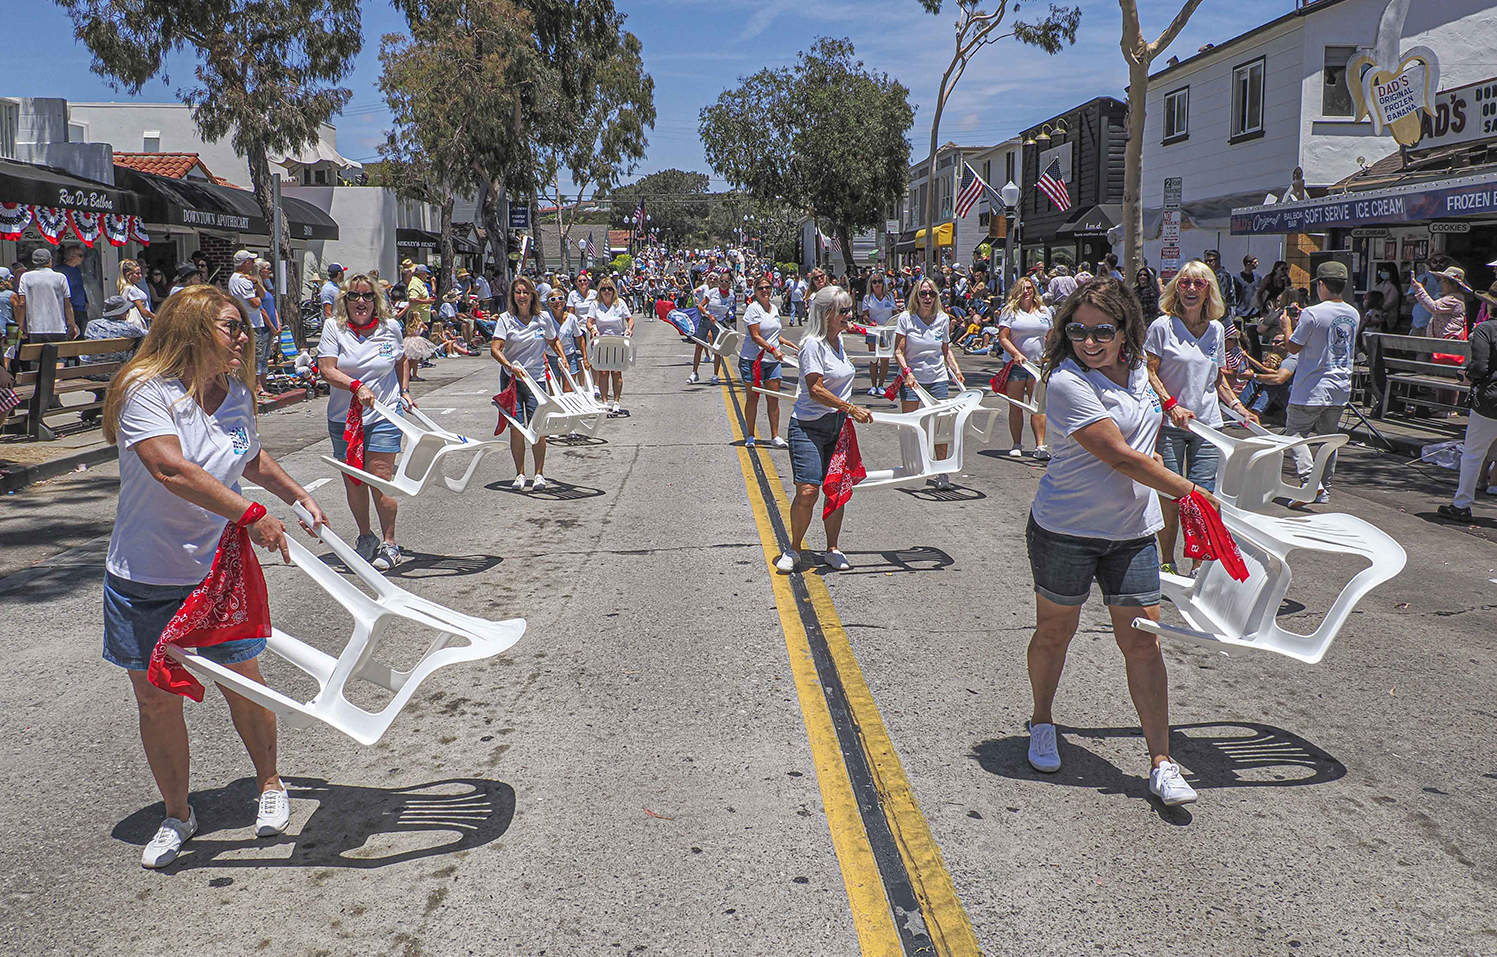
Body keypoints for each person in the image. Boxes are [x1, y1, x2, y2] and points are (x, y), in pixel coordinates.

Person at [100, 283, 328, 867]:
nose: (245, 336)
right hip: (146, 575)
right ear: (194, 330)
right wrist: (253, 513)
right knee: (154, 701)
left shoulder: (235, 395)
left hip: (214, 572)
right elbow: (169, 469)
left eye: (245, 325)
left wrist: (294, 492)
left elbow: (247, 455)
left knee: (244, 681)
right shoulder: (148, 394)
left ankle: (270, 784)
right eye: (232, 326)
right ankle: (177, 814)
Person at [1024, 276, 1214, 807]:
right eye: (1079, 330)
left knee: (1142, 643)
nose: (1090, 341)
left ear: (1125, 327)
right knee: (1055, 633)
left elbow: (1149, 428)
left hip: (1131, 532)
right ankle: (1042, 720)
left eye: (1102, 330)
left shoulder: (1138, 375)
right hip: (1067, 530)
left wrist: (1176, 409)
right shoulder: (1065, 382)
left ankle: (1161, 761)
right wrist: (1193, 491)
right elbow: (1120, 455)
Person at [1146, 262, 1257, 573]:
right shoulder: (1162, 327)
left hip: (1207, 425)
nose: (1191, 289)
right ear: (1176, 288)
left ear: (1209, 288)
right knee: (1170, 496)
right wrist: (1171, 405)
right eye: (1184, 283)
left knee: (1203, 498)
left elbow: (1217, 378)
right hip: (1170, 425)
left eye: (1198, 283)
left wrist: (1238, 407)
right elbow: (1149, 372)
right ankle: (1167, 562)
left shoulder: (1216, 330)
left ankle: (1198, 564)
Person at [316, 274, 412, 571]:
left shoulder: (390, 327)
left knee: (378, 477)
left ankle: (390, 542)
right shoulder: (334, 328)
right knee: (355, 481)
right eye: (354, 296)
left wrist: (405, 390)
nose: (361, 301)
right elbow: (326, 370)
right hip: (343, 418)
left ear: (376, 300)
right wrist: (355, 386)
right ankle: (365, 537)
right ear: (345, 300)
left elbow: (401, 358)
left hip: (384, 415)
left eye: (367, 296)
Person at [775, 285, 874, 574]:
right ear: (826, 313)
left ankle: (832, 547)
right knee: (808, 490)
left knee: (836, 490)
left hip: (837, 427)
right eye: (842, 311)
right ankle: (794, 549)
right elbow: (815, 389)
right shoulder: (812, 345)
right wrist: (850, 408)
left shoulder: (838, 342)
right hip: (807, 427)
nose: (848, 315)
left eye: (848, 310)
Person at [1283, 261, 1359, 505]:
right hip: (1340, 385)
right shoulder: (1353, 313)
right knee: (1328, 440)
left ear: (1322, 285)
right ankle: (1324, 488)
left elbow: (1293, 346)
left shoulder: (1312, 313)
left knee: (1295, 433)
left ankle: (1309, 481)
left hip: (1311, 385)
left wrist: (1287, 327)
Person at [491, 276, 562, 491]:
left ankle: (539, 474)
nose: (522, 296)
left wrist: (563, 357)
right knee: (517, 428)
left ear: (532, 295)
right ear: (513, 296)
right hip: (512, 380)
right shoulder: (506, 319)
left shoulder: (544, 318)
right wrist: (509, 365)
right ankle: (520, 473)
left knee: (537, 428)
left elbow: (553, 340)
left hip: (536, 379)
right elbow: (496, 348)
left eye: (525, 292)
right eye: (518, 292)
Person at [894, 276, 965, 487]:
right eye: (923, 293)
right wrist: (907, 372)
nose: (927, 297)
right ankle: (913, 468)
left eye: (931, 294)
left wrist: (956, 371)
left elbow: (946, 350)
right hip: (912, 381)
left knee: (940, 427)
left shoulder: (943, 319)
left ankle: (941, 472)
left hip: (937, 379)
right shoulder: (906, 318)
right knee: (911, 426)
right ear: (916, 296)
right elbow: (898, 351)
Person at [1440, 310, 1497, 521]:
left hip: (1491, 400)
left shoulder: (1486, 329)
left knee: (1473, 453)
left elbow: (1480, 367)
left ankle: (1461, 504)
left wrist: (1467, 374)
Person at [995, 275, 1053, 460]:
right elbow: (1003, 337)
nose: (1026, 292)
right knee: (1016, 405)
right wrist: (1016, 354)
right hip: (1017, 365)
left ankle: (1040, 445)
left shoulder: (1044, 311)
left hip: (1038, 365)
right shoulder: (1010, 312)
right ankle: (1017, 443)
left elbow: (1050, 336)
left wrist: (1050, 354)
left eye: (1029, 288)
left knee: (1038, 407)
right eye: (1023, 288)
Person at [739, 276, 798, 448]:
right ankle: (750, 435)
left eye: (767, 287)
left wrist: (787, 343)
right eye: (761, 288)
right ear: (755, 291)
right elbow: (756, 336)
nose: (765, 290)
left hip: (772, 361)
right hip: (752, 360)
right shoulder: (753, 309)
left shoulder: (773, 309)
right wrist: (773, 350)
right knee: (753, 398)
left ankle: (775, 436)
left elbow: (772, 333)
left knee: (774, 398)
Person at [14, 247, 77, 370]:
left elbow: (22, 303)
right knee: (59, 358)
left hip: (36, 327)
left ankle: (45, 385)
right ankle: (56, 383)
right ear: (50, 261)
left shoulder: (26, 277)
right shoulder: (60, 277)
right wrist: (72, 324)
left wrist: (21, 325)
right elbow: (67, 304)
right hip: (57, 326)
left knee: (41, 360)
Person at [589, 277, 634, 413]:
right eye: (603, 289)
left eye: (609, 289)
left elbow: (629, 319)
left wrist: (629, 329)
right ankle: (604, 401)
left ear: (614, 290)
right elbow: (589, 321)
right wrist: (592, 329)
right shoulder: (595, 304)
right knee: (603, 372)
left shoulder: (620, 303)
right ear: (600, 291)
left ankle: (616, 402)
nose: (606, 291)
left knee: (616, 372)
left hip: (617, 340)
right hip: (602, 340)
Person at [690, 270, 734, 386]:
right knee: (699, 345)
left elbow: (727, 311)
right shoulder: (713, 292)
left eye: (726, 281)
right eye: (722, 281)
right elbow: (700, 306)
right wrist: (709, 315)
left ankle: (715, 375)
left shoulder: (731, 296)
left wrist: (728, 322)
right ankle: (694, 373)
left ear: (729, 284)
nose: (724, 283)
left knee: (717, 349)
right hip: (707, 320)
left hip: (719, 324)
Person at [861, 273, 900, 396]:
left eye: (879, 281)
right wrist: (870, 323)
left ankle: (881, 385)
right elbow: (865, 315)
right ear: (871, 284)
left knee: (885, 359)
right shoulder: (867, 298)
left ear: (883, 283)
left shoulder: (889, 297)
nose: (877, 284)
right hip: (873, 331)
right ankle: (873, 385)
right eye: (874, 282)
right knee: (874, 359)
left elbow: (895, 313)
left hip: (887, 331)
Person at [118, 259, 156, 324]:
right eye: (137, 274)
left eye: (140, 273)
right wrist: (156, 317)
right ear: (128, 275)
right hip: (138, 322)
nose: (140, 276)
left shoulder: (131, 287)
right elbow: (143, 311)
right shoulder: (131, 290)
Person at [59, 244, 88, 321]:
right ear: (72, 256)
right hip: (68, 309)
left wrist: (85, 300)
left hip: (81, 309)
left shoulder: (77, 270)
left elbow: (80, 286)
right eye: (80, 255)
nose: (83, 258)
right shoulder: (60, 271)